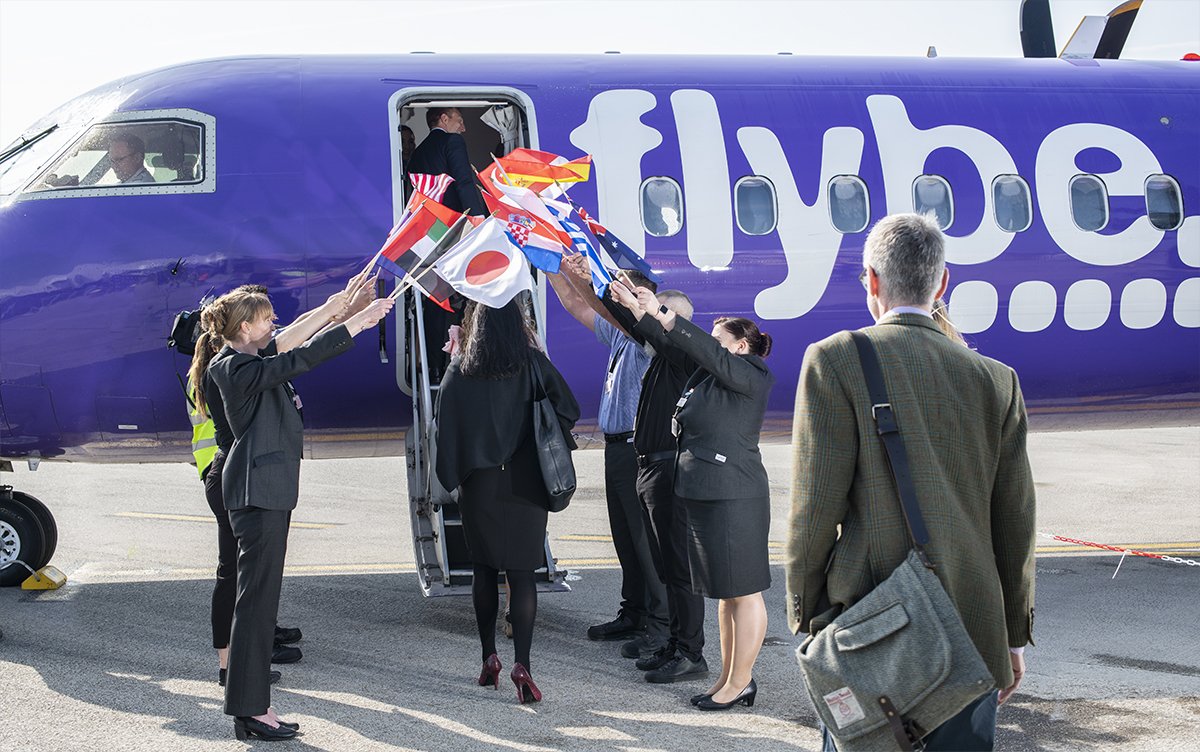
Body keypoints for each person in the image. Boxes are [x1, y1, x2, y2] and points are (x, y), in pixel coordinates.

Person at [787, 213, 1036, 751]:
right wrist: (1012, 634)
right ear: (942, 282)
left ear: (872, 281)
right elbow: (1015, 523)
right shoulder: (997, 379)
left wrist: (807, 616)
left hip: (873, 627)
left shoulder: (834, 359)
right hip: (973, 633)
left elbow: (812, 512)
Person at [206, 287, 393, 740]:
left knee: (258, 603)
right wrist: (356, 323)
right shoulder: (233, 366)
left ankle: (251, 707)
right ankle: (251, 711)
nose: (273, 324)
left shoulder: (248, 357)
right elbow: (296, 358)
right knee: (255, 606)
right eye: (265, 319)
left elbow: (290, 340)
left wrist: (334, 308)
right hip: (258, 493)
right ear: (244, 327)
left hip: (265, 491)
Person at [611, 283, 775, 711]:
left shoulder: (751, 373)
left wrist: (665, 312)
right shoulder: (708, 376)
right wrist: (636, 308)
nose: (709, 345)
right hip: (703, 494)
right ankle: (728, 677)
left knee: (744, 593)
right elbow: (671, 344)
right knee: (724, 594)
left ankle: (741, 681)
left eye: (719, 339)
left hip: (733, 496)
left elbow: (701, 348)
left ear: (740, 346)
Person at [434, 298, 580, 704]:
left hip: (480, 485)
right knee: (523, 574)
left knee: (483, 570)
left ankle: (488, 659)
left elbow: (444, 429)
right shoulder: (532, 365)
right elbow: (568, 408)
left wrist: (458, 472)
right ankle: (524, 665)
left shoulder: (459, 372)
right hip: (527, 481)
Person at [546, 263, 669, 659]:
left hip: (638, 447)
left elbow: (596, 306)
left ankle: (660, 625)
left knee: (645, 540)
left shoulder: (647, 338)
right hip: (616, 448)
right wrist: (549, 267)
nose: (608, 299)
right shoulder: (619, 337)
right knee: (625, 537)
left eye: (618, 294)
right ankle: (633, 611)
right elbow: (575, 305)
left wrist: (572, 268)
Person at [592, 268, 709, 684]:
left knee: (677, 569)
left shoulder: (681, 356)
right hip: (649, 467)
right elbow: (638, 329)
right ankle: (674, 644)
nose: (655, 324)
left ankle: (689, 650)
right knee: (663, 563)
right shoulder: (660, 359)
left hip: (668, 467)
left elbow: (650, 329)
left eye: (664, 317)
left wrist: (629, 300)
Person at [406, 107, 487, 216]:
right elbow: (463, 181)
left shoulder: (417, 151)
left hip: (426, 218)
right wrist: (476, 215)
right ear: (444, 119)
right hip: (451, 218)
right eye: (459, 121)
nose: (463, 128)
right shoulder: (453, 140)